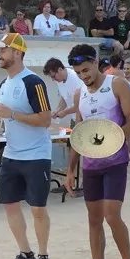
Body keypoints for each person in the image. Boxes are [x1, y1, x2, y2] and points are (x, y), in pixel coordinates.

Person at [66, 43, 130, 259]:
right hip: (91, 164)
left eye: (86, 70)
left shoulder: (117, 85)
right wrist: (70, 170)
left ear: (96, 62)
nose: (84, 76)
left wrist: (114, 141)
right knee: (94, 219)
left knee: (112, 215)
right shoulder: (79, 95)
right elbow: (79, 134)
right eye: (79, 73)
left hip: (115, 161)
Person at [0, 33, 54, 259]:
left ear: (17, 53)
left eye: (3, 50)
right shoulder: (4, 84)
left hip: (36, 155)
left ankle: (44, 256)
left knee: (38, 209)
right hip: (12, 154)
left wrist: (12, 114)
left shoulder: (34, 82)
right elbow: (5, 117)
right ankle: (25, 254)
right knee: (10, 205)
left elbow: (45, 119)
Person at [43, 57, 85, 194]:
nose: (53, 79)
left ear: (60, 69)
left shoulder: (75, 79)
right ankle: (71, 180)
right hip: (74, 118)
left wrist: (64, 112)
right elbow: (64, 99)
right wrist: (57, 110)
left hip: (84, 118)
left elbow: (80, 104)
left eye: (54, 75)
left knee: (84, 152)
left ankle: (84, 183)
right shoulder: (60, 81)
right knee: (71, 151)